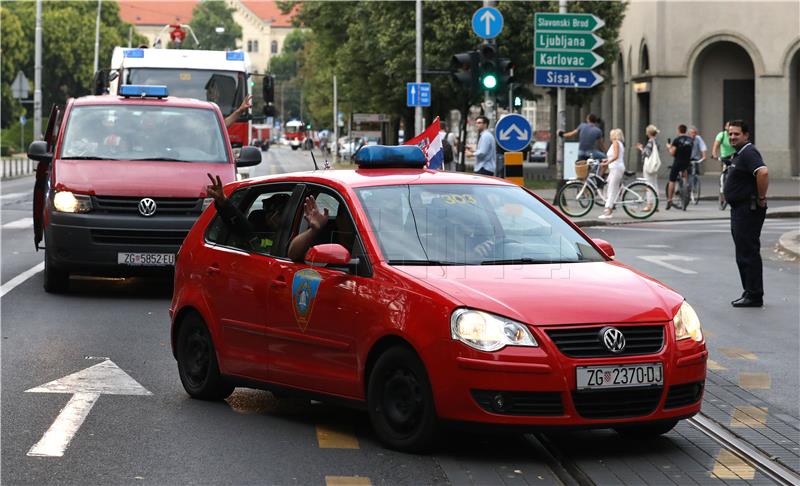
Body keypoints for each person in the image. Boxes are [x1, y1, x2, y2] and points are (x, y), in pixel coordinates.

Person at [723, 120, 769, 308]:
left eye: (737, 134)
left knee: (747, 252)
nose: (733, 136)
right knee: (743, 252)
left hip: (747, 209)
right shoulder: (740, 153)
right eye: (730, 134)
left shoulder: (749, 152)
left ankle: (754, 295)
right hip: (740, 209)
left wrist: (761, 197)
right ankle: (750, 291)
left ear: (746, 135)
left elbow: (763, 172)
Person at [205, 173, 289, 252]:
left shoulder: (294, 236)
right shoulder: (255, 234)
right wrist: (223, 201)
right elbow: (240, 225)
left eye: (281, 213)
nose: (274, 217)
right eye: (270, 213)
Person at [288, 195, 356, 262]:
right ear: (339, 219)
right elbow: (293, 254)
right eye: (353, 219)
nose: (356, 224)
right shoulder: (325, 240)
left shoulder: (363, 244)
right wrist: (313, 230)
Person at [598, 128, 625, 219]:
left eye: (611, 135)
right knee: (608, 187)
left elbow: (616, 156)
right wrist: (607, 160)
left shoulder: (616, 143)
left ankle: (608, 211)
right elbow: (614, 156)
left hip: (616, 168)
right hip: (615, 168)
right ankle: (609, 207)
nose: (609, 136)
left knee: (611, 189)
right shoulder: (618, 143)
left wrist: (606, 163)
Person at [665, 124, 694, 210]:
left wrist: (669, 147)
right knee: (685, 177)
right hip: (687, 162)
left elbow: (672, 153)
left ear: (678, 130)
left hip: (678, 162)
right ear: (685, 130)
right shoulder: (690, 140)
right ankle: (686, 188)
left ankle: (669, 200)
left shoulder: (677, 140)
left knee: (672, 180)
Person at [636, 124, 660, 212]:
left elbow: (647, 153)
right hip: (654, 165)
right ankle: (656, 205)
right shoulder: (656, 141)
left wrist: (641, 148)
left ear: (648, 133)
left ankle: (649, 205)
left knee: (648, 185)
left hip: (648, 166)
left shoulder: (650, 141)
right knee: (654, 184)